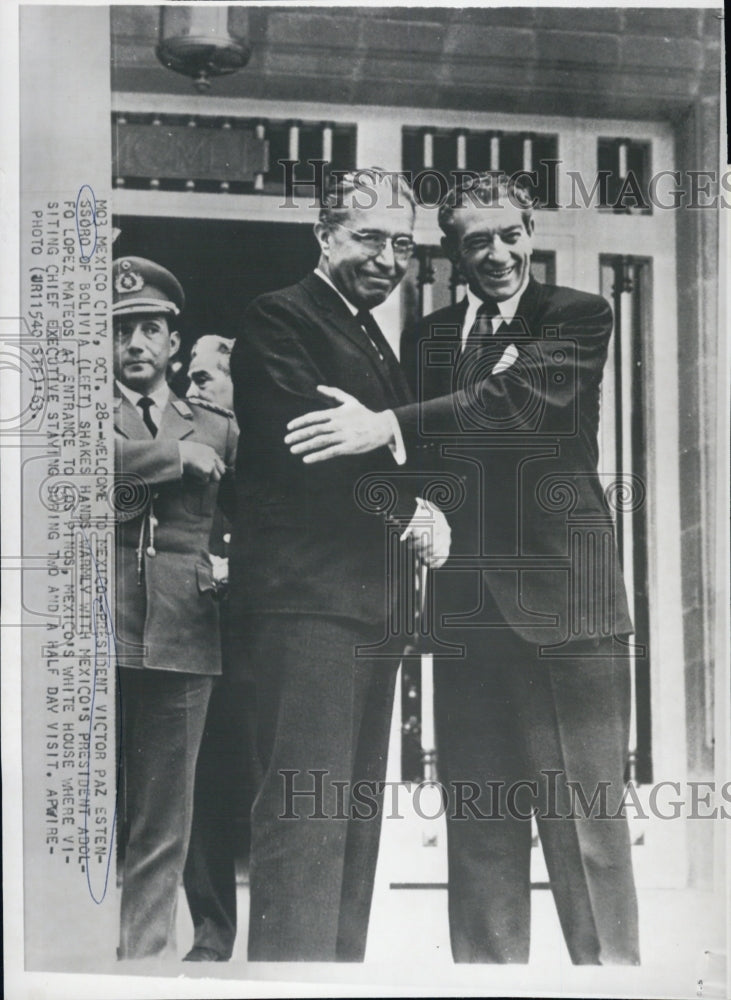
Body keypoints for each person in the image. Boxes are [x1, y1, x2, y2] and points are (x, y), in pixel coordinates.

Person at [284, 173, 641, 965]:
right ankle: (486, 978)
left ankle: (613, 980)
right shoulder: (428, 336)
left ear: (529, 235)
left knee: (584, 829)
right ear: (450, 255)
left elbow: (518, 407)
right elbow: (430, 462)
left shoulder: (577, 316)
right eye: (475, 241)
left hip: (564, 605)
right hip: (467, 609)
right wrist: (417, 502)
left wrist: (383, 424)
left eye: (509, 234)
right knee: (479, 830)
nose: (497, 253)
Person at [228, 168, 450, 962]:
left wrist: (390, 440)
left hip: (366, 609)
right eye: (368, 238)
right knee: (304, 818)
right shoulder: (281, 317)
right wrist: (405, 494)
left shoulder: (367, 335)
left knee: (352, 824)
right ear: (323, 238)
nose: (387, 257)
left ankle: (334, 978)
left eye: (402, 243)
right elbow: (308, 448)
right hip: (308, 604)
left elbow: (388, 450)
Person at [112, 257, 238, 960]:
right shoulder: (75, 417)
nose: (135, 343)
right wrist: (171, 458)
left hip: (186, 631)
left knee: (165, 817)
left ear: (171, 340)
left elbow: (253, 510)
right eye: (121, 329)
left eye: (149, 328)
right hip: (93, 633)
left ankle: (140, 963)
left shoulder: (218, 424)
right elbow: (67, 465)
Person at [180, 332, 261, 963]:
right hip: (195, 632)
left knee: (268, 775)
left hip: (260, 640)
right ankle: (211, 932)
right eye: (189, 375)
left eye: (206, 378)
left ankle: (280, 932)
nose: (191, 386)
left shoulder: (267, 458)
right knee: (199, 782)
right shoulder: (181, 446)